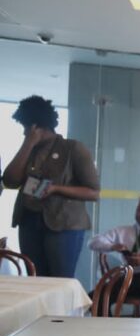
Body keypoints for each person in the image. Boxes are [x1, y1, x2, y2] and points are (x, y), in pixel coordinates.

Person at [2, 95, 100, 277]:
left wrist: (57, 189)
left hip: (64, 225)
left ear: (36, 126)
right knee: (35, 277)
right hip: (29, 221)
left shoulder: (73, 149)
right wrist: (28, 144)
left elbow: (93, 192)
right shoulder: (29, 149)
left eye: (26, 128)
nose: (24, 132)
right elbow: (10, 180)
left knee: (59, 279)